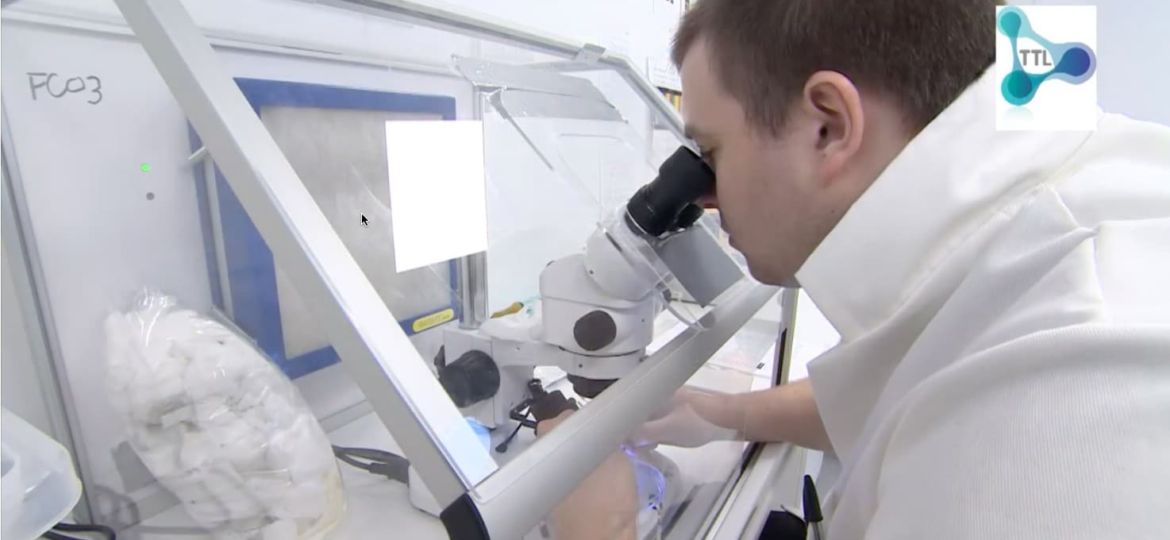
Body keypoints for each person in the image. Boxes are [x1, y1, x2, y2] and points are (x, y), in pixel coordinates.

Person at [633, 0, 1170, 538]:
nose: (702, 196)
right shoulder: (1049, 179)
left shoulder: (1063, 407)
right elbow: (924, 375)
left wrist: (608, 527)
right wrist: (727, 415)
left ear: (829, 126)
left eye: (711, 150)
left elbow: (993, 400)